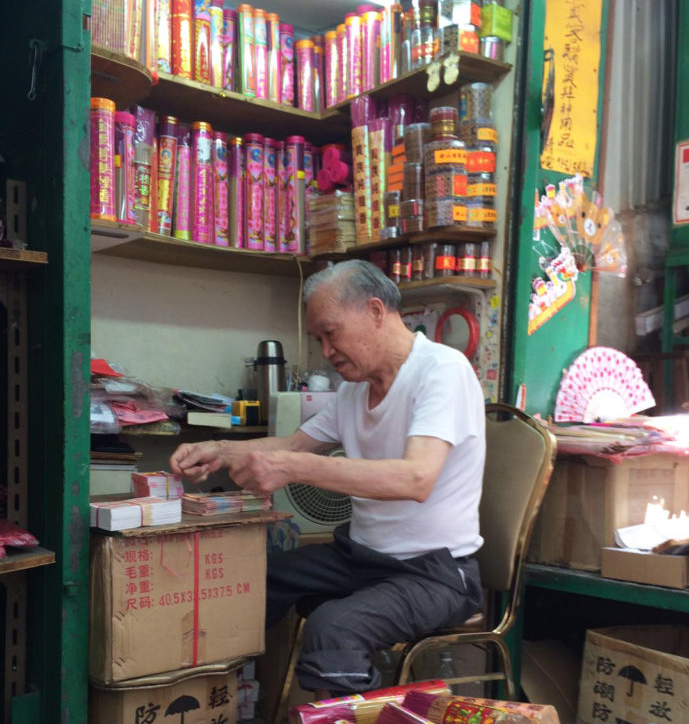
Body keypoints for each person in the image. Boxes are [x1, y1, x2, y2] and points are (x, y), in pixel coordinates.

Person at [170, 260, 486, 696]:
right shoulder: (353, 390)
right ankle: (210, 701)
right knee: (254, 579)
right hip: (362, 558)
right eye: (319, 338)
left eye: (330, 333)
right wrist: (221, 451)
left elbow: (416, 479)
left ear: (376, 311)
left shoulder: (442, 371)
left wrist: (293, 470)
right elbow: (295, 445)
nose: (325, 351)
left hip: (435, 574)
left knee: (333, 629)